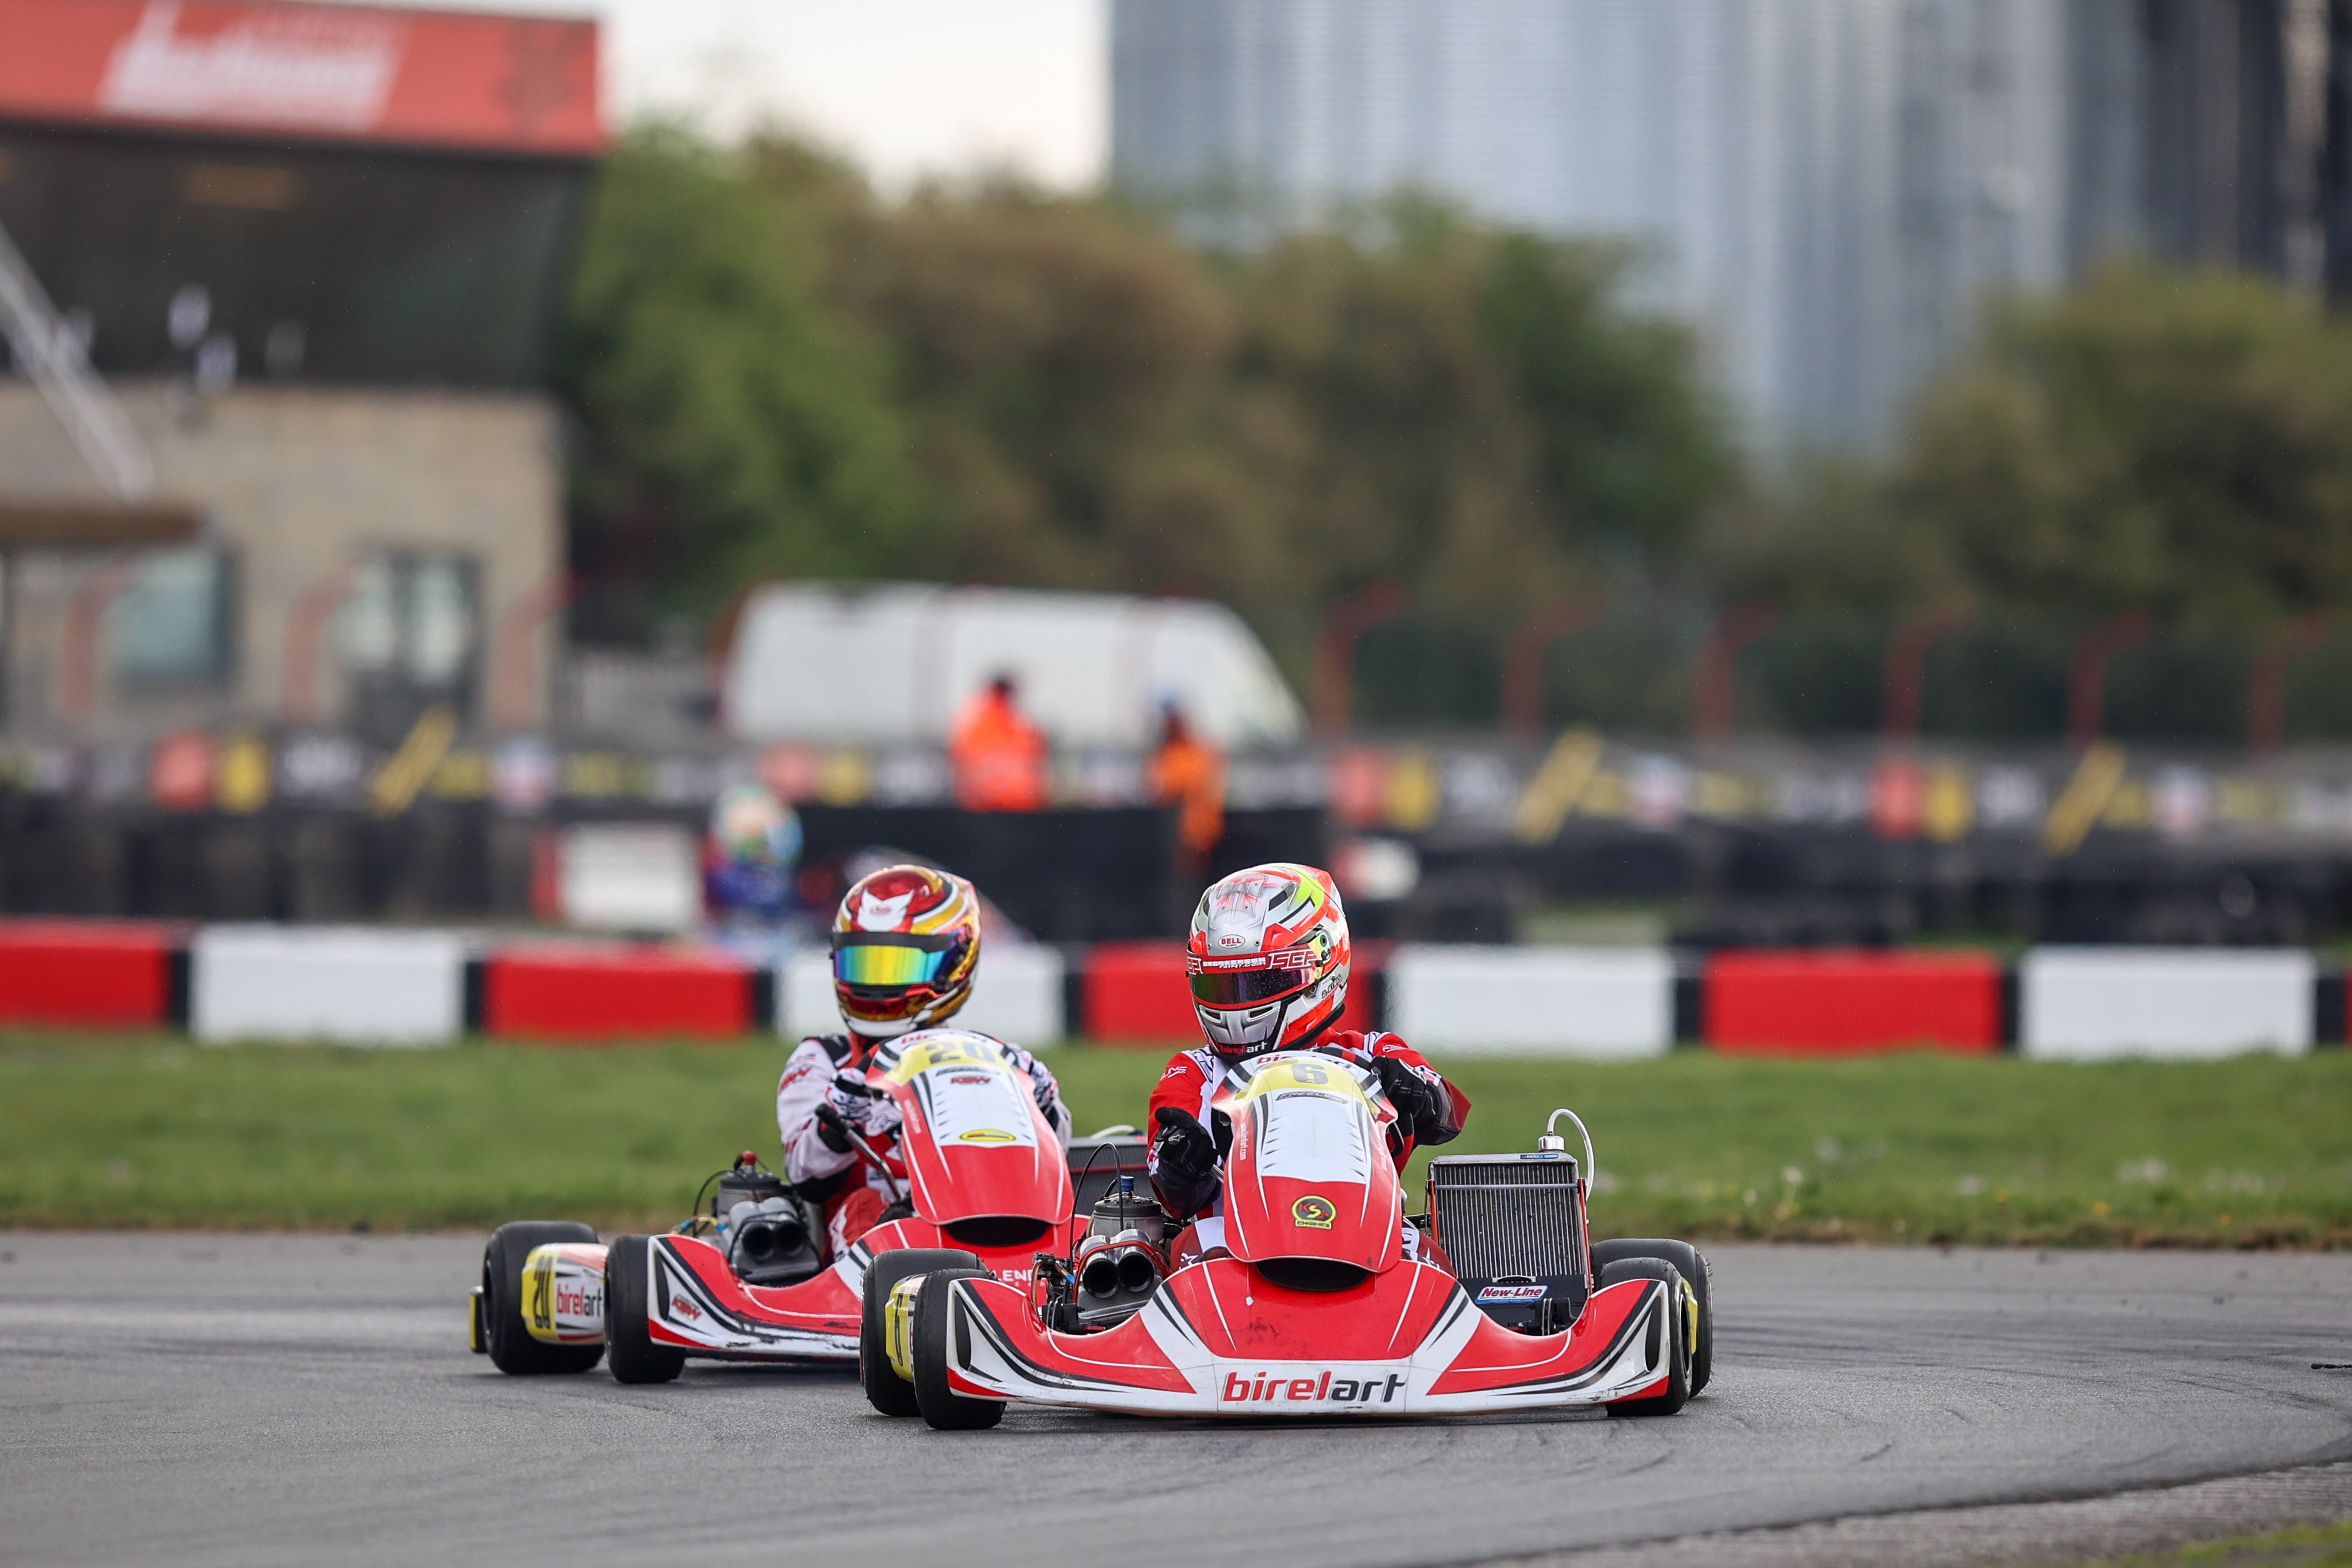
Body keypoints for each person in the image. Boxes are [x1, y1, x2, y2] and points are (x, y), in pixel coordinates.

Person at [1145, 862, 1468, 1249]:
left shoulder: (1373, 1053)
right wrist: (1181, 1158)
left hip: (1366, 1247)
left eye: (1259, 982)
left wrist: (1418, 1092)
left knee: (1433, 1256)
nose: (1238, 1004)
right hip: (1230, 1252)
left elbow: (1449, 1113)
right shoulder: (1195, 1073)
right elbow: (1172, 1190)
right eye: (1223, 985)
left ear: (1322, 965)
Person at [775, 863, 1072, 1258]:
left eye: (898, 966)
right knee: (865, 1207)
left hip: (978, 1216)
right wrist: (840, 1118)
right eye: (864, 965)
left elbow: (1054, 1162)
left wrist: (1043, 1104)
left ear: (954, 965)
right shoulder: (825, 1061)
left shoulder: (989, 1057)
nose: (877, 987)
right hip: (871, 1238)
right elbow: (806, 1176)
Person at [1145, 700, 1226, 875]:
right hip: (1176, 832)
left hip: (1196, 830)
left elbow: (1181, 787)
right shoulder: (1166, 753)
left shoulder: (1194, 753)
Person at [948, 673, 1049, 811]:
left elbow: (1037, 771)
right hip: (983, 809)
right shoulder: (975, 728)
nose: (1004, 697)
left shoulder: (1024, 729)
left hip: (1021, 808)